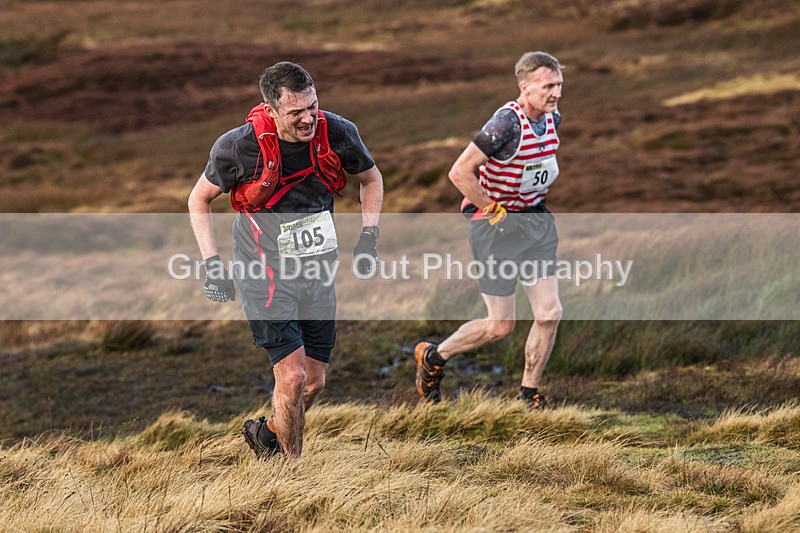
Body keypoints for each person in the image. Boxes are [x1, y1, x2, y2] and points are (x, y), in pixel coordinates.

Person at [188, 61, 383, 459]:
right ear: (271, 110)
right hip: (262, 273)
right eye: (296, 112)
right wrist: (212, 265)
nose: (308, 118)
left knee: (313, 382)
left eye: (313, 106)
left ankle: (269, 432)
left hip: (316, 271)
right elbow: (199, 199)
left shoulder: (337, 132)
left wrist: (369, 237)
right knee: (292, 377)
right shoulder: (238, 146)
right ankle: (291, 473)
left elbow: (371, 179)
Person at [415, 51, 564, 410]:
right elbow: (459, 172)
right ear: (524, 87)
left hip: (536, 221)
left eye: (559, 84)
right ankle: (434, 356)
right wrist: (494, 211)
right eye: (548, 86)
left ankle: (529, 394)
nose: (556, 93)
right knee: (500, 326)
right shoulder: (505, 124)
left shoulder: (552, 117)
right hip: (496, 228)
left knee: (549, 313)